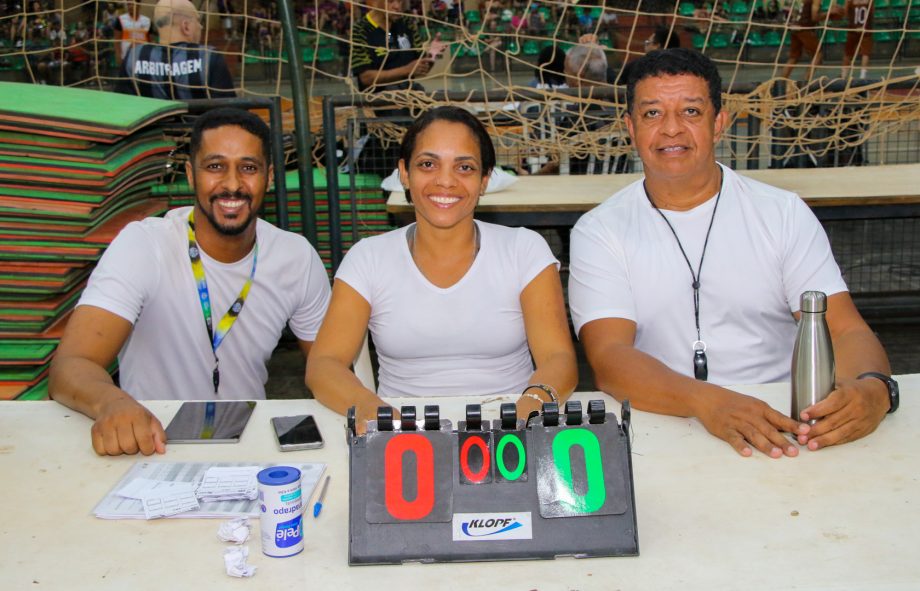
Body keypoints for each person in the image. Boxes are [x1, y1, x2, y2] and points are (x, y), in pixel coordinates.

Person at [568, 48, 896, 458]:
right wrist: (709, 402)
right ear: (630, 127)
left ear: (719, 122)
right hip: (665, 419)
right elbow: (610, 357)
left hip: (784, 420)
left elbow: (845, 329)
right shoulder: (600, 230)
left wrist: (873, 388)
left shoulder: (782, 212)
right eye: (652, 114)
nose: (671, 129)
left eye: (690, 112)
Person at [50, 107, 331, 456]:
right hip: (151, 442)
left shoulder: (295, 257)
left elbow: (331, 366)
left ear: (269, 177)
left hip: (249, 443)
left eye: (248, 168)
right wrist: (112, 404)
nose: (232, 184)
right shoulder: (144, 245)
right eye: (215, 167)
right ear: (190, 174)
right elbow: (71, 364)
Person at [306, 106, 578, 427]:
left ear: (484, 180)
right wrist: (374, 412)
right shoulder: (368, 258)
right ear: (405, 174)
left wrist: (524, 412)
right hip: (401, 435)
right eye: (428, 164)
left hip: (509, 431)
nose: (445, 181)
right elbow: (324, 363)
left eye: (464, 167)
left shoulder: (524, 250)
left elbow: (558, 359)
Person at [115, 0, 236, 100]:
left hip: (151, 128)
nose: (201, 26)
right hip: (196, 127)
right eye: (198, 21)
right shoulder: (209, 57)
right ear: (186, 26)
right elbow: (228, 113)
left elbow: (122, 107)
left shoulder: (134, 57)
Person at [780, 0, 823, 81]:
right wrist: (829, 13)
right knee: (818, 55)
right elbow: (815, 17)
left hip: (794, 27)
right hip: (804, 27)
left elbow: (787, 10)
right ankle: (805, 83)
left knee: (793, 57)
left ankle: (779, 83)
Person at [839, 0, 873, 79]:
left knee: (848, 53)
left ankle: (843, 76)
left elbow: (845, 13)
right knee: (865, 53)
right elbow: (871, 13)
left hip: (853, 28)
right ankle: (862, 76)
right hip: (865, 28)